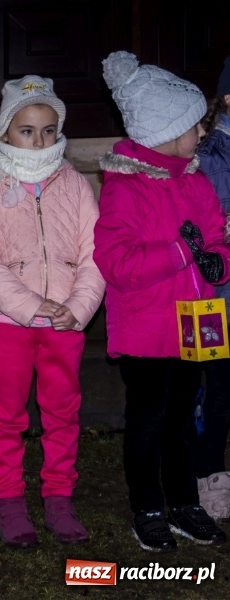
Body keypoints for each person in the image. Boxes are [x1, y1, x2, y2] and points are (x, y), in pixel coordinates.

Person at [0, 75, 105, 548]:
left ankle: (59, 497)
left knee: (62, 411)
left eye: (48, 129)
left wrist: (78, 307)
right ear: (5, 132)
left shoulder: (76, 185)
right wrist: (26, 304)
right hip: (10, 321)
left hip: (65, 319)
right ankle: (9, 499)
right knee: (6, 413)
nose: (40, 139)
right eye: (27, 130)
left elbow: (94, 253)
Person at [95, 50, 230, 552]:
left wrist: (218, 261)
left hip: (196, 326)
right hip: (147, 331)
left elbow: (214, 236)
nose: (202, 135)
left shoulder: (195, 181)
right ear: (165, 130)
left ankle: (185, 501)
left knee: (182, 421)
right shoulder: (125, 190)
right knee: (148, 422)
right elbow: (117, 263)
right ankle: (147, 506)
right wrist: (179, 252)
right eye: (195, 127)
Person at [195, 55, 230, 521]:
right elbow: (203, 227)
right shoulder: (210, 157)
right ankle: (208, 473)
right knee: (218, 389)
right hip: (218, 296)